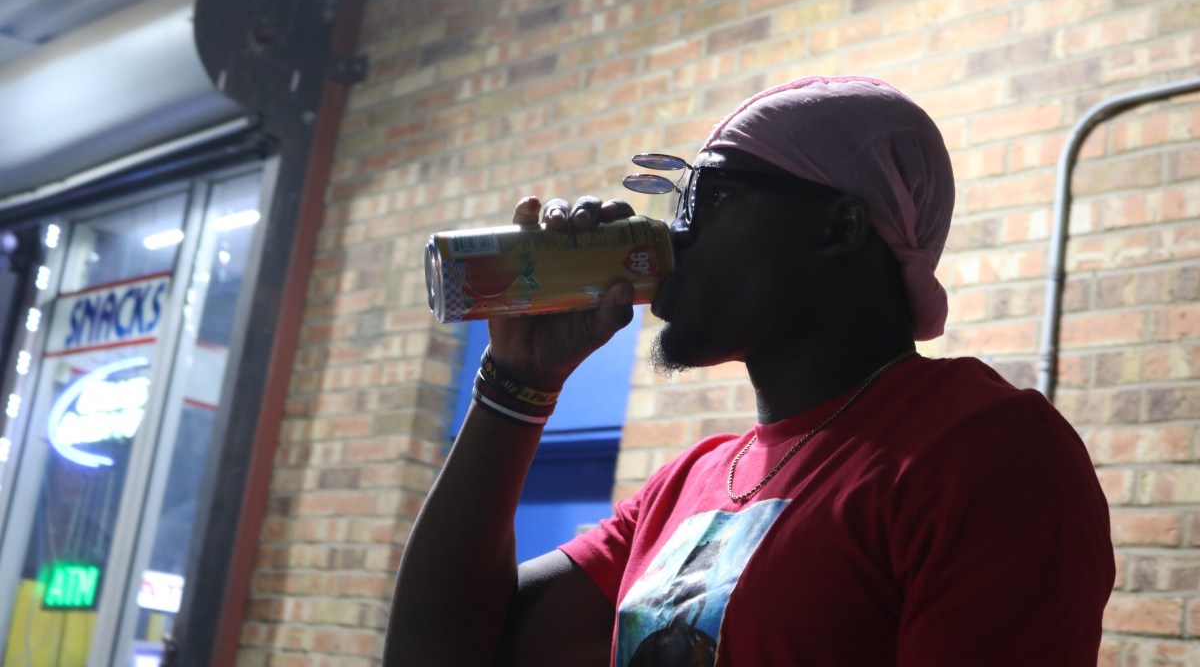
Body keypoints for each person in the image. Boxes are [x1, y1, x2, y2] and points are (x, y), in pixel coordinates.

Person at [386, 75, 1115, 666]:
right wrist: (517, 382)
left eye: (710, 196)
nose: (675, 232)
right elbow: (438, 654)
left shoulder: (984, 448)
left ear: (838, 226)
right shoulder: (692, 482)